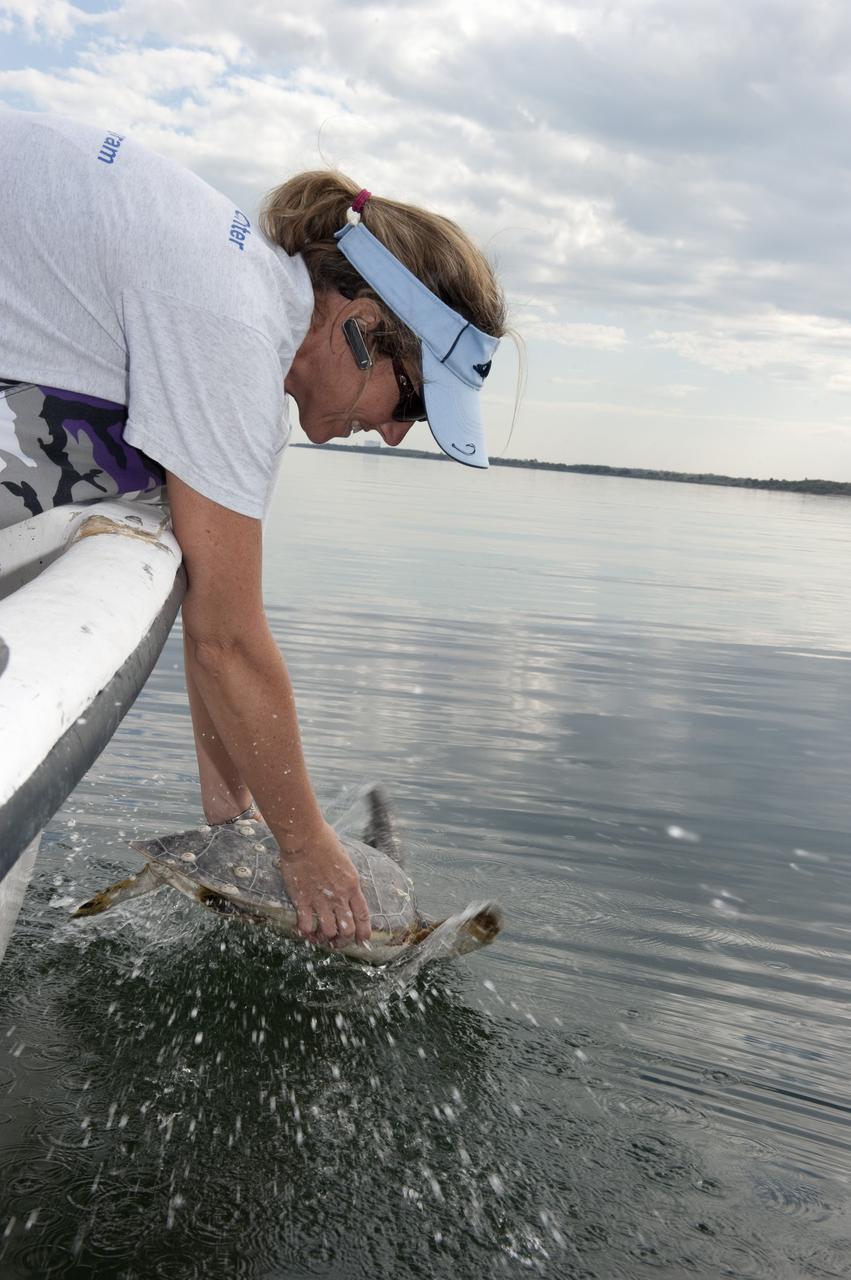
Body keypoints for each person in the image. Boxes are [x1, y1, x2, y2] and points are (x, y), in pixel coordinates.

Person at [0, 108, 507, 948]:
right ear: (361, 324)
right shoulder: (230, 327)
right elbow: (228, 643)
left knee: (144, 490)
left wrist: (231, 810)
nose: (391, 433)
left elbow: (211, 600)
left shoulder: (236, 298)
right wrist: (305, 847)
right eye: (411, 402)